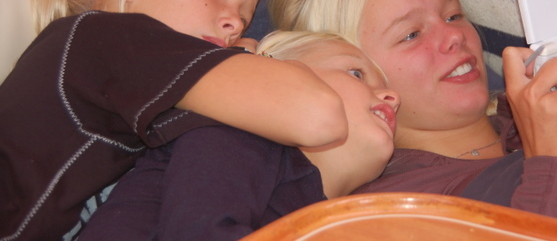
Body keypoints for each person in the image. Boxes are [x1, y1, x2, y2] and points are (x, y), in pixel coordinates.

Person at [0, 0, 350, 241]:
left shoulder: (138, 86)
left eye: (244, 19)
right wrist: (248, 58)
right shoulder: (101, 38)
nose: (233, 23)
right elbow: (317, 115)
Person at [270, 0, 557, 228]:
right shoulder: (393, 206)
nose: (454, 36)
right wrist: (551, 163)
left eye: (453, 15)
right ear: (358, 71)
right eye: (412, 34)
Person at [79, 30, 399, 240]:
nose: (392, 97)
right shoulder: (239, 133)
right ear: (280, 72)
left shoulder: (317, 207)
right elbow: (198, 232)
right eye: (356, 73)